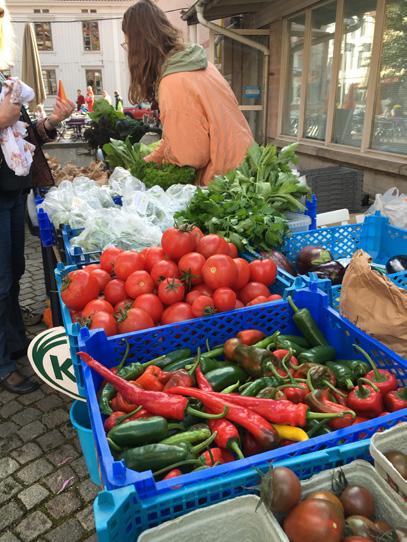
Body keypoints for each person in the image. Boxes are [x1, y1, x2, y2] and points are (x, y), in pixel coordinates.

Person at [0, 2, 75, 394]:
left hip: (12, 192)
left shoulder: (4, 79)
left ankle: (14, 343)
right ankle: (2, 364)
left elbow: (23, 136)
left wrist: (52, 121)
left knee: (12, 276)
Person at [121, 0, 253, 185]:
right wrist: (142, 165)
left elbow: (190, 156)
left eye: (127, 45)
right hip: (244, 168)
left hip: (224, 181)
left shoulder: (174, 82)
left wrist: (153, 177)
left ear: (139, 47)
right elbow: (176, 139)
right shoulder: (202, 66)